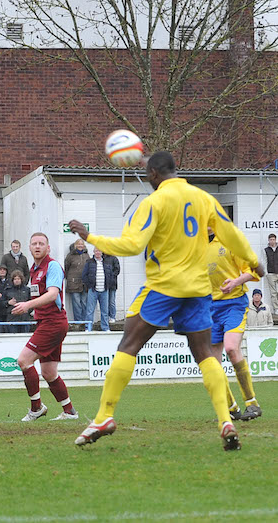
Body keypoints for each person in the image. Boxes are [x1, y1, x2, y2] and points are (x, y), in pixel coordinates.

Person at [69, 150, 263, 451]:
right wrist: (253, 261)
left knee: (128, 344)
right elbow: (230, 232)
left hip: (165, 286)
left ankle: (105, 415)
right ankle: (225, 419)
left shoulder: (154, 202)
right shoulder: (202, 197)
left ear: (154, 176)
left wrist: (90, 236)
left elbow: (131, 245)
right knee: (205, 354)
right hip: (199, 290)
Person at [12, 232, 78, 422]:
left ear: (48, 248)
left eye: (41, 243)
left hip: (53, 323)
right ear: (30, 248)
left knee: (24, 361)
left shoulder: (53, 266)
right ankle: (70, 411)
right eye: (34, 244)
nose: (38, 246)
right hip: (46, 322)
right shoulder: (33, 269)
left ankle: (36, 408)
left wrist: (27, 306)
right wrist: (32, 309)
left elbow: (52, 294)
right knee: (49, 372)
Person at [206, 229, 262, 421]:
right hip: (209, 308)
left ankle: (252, 403)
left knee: (231, 347)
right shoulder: (195, 246)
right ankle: (231, 408)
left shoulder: (230, 240)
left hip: (234, 304)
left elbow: (252, 271)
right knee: (212, 365)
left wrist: (235, 282)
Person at [82, 247, 114, 331]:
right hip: (93, 290)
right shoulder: (89, 262)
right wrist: (89, 285)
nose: (98, 252)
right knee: (89, 310)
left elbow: (111, 275)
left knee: (105, 311)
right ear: (94, 252)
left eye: (99, 251)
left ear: (102, 252)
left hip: (104, 290)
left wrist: (108, 285)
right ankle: (88, 328)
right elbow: (84, 275)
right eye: (96, 251)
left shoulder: (107, 262)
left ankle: (105, 328)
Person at [64, 240, 90, 323]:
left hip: (84, 283)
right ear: (75, 245)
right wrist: (70, 278)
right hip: (73, 283)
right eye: (78, 244)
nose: (80, 245)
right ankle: (78, 321)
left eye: (82, 244)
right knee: (76, 303)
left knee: (84, 303)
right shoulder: (70, 256)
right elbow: (66, 268)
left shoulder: (86, 255)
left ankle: (85, 322)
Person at [105, 253, 121, 323]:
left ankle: (112, 316)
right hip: (103, 284)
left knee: (111, 301)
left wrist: (110, 277)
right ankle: (106, 316)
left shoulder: (114, 258)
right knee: (105, 301)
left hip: (112, 284)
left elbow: (117, 270)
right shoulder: (101, 258)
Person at [265, 233, 278, 315]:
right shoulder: (266, 250)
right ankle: (276, 308)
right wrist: (266, 273)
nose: (272, 241)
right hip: (271, 273)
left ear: (275, 240)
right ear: (269, 240)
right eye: (271, 239)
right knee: (273, 292)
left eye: (273, 239)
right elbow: (264, 261)